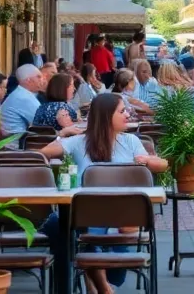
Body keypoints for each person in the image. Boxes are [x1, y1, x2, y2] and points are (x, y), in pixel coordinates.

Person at [39, 94, 167, 294]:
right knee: (64, 226)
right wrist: (61, 134)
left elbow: (162, 164)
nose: (128, 115)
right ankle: (103, 288)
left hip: (121, 215)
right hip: (88, 214)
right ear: (106, 116)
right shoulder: (79, 142)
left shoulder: (131, 141)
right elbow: (41, 154)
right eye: (122, 111)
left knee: (66, 230)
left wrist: (148, 161)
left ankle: (93, 284)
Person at [0, 63, 44, 138]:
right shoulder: (24, 98)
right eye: (38, 77)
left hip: (18, 140)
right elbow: (44, 122)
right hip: (17, 143)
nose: (42, 80)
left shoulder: (20, 93)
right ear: (28, 80)